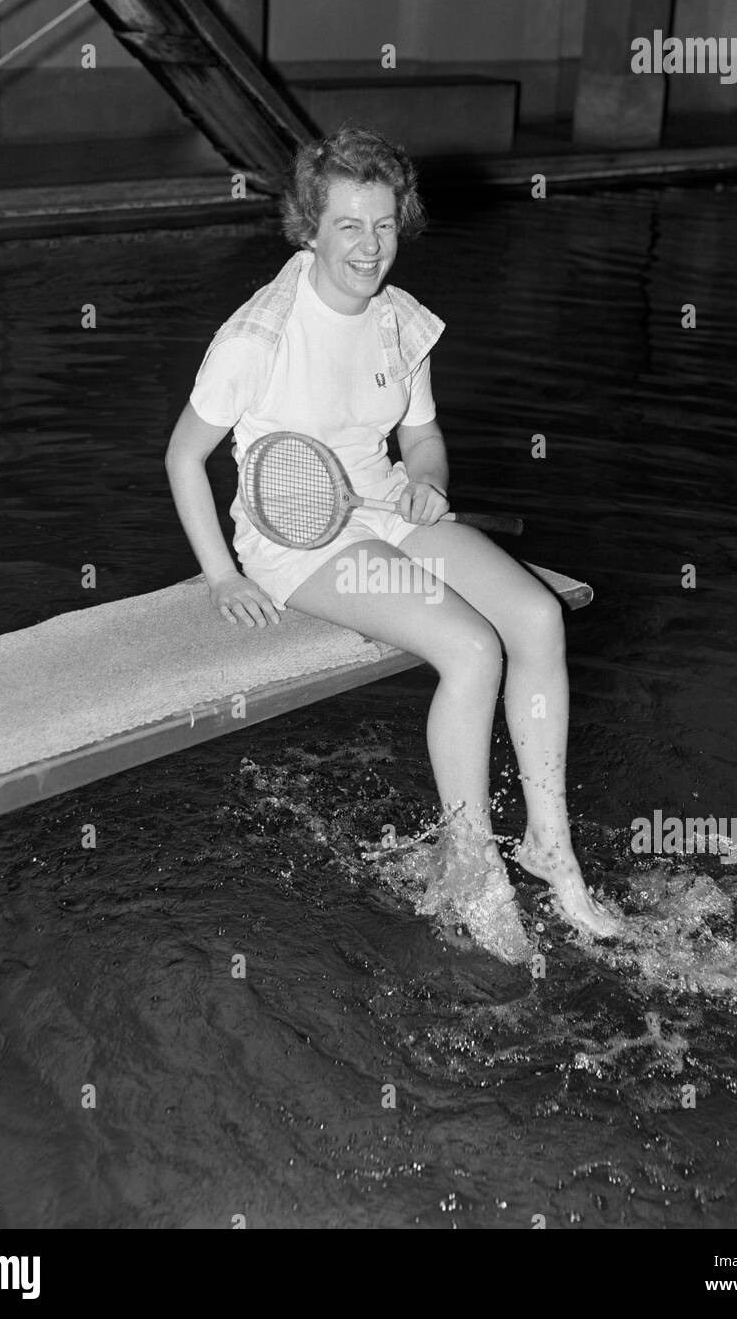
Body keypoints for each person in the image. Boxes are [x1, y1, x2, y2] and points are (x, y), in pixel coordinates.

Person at [165, 125, 620, 958]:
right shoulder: (256, 338)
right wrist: (221, 575)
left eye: (382, 225)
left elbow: (423, 440)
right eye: (348, 225)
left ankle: (549, 843)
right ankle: (470, 862)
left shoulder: (398, 321)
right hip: (296, 541)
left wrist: (430, 482)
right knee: (472, 650)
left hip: (385, 508)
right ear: (309, 226)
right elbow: (183, 456)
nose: (369, 247)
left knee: (537, 619)